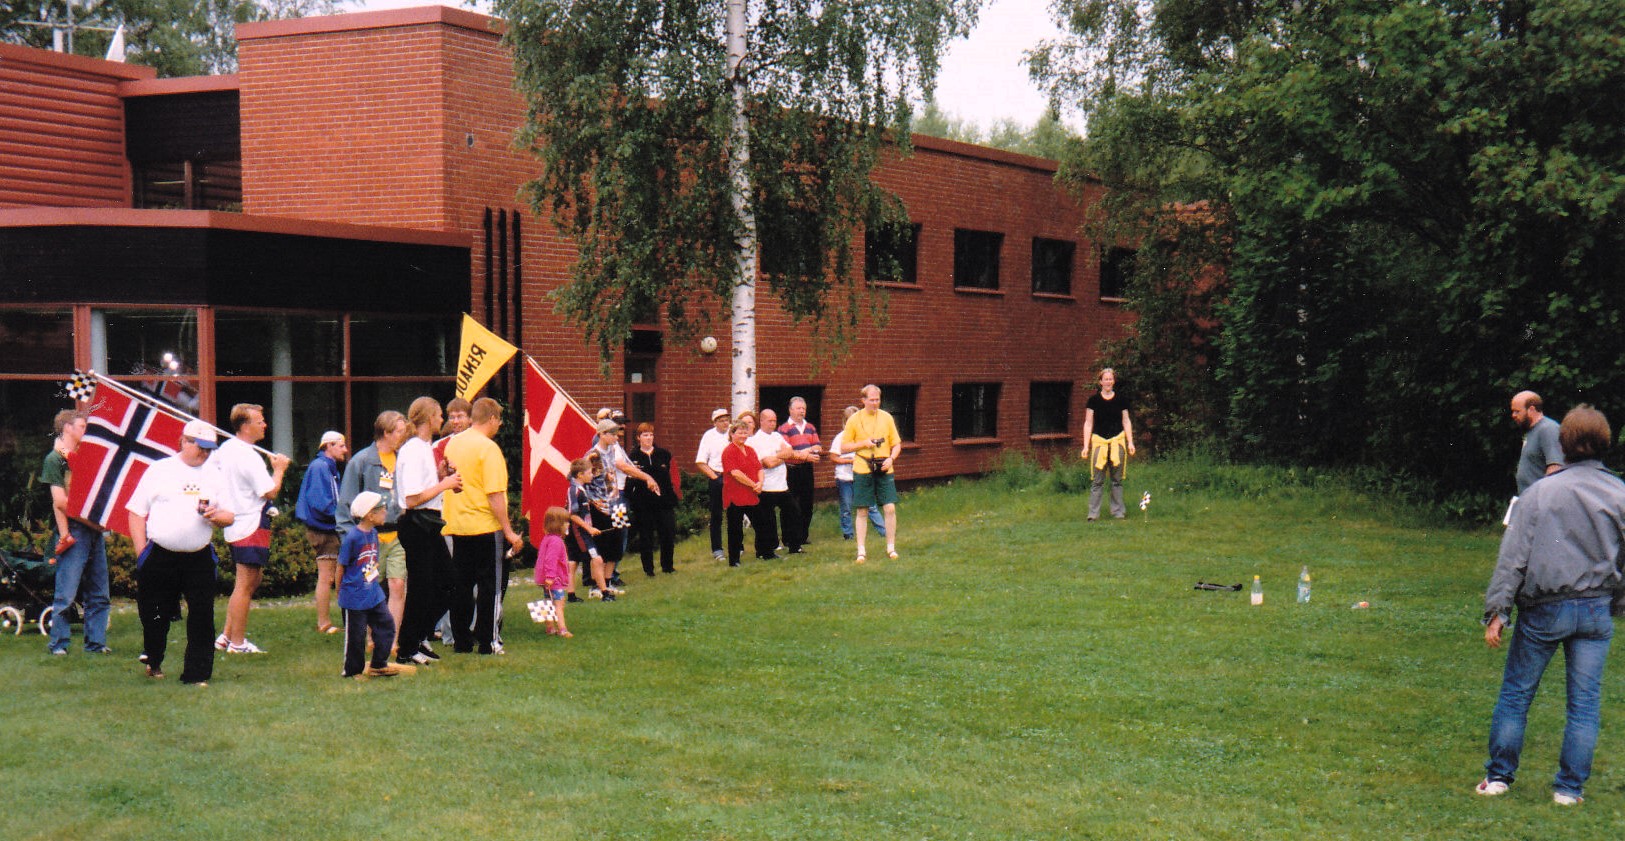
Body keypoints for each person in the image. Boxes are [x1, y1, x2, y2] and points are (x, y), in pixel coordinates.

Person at [1477, 405, 1625, 806]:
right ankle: (1568, 790)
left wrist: (1497, 612)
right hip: (1595, 611)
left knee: (1516, 695)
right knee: (1585, 704)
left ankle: (1498, 779)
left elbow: (1513, 559)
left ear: (1563, 442)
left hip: (1544, 608)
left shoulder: (1538, 494)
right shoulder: (1620, 493)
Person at [126, 419, 233, 685]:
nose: (205, 453)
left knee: (202, 614)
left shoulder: (215, 475)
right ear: (184, 442)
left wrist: (217, 516)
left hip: (199, 555)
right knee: (155, 615)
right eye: (201, 447)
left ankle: (196, 674)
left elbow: (230, 515)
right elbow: (136, 513)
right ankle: (153, 659)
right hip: (160, 553)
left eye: (210, 449)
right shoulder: (159, 470)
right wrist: (141, 552)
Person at [442, 397, 523, 654]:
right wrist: (508, 530)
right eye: (498, 420)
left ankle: (462, 641)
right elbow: (495, 494)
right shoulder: (489, 449)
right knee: (490, 586)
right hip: (485, 526)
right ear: (491, 419)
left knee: (462, 585)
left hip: (457, 523)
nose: (499, 425)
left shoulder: (453, 444)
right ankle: (488, 641)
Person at [211, 403, 291, 655]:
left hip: (238, 520)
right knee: (245, 583)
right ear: (245, 427)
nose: (264, 425)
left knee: (251, 580)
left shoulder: (225, 450)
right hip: (249, 521)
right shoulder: (247, 456)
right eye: (259, 421)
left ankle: (226, 636)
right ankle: (237, 642)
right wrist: (279, 469)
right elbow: (270, 490)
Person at [395, 397, 463, 666]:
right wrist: (445, 483)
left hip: (430, 523)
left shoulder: (423, 448)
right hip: (417, 523)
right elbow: (412, 498)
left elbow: (422, 487)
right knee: (422, 589)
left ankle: (418, 637)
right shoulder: (412, 449)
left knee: (447, 582)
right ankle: (407, 647)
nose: (442, 420)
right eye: (439, 415)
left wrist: (439, 475)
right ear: (428, 417)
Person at [40, 408, 112, 655]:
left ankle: (96, 642)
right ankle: (58, 643)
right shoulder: (55, 459)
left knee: (99, 590)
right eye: (82, 427)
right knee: (66, 592)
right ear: (67, 428)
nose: (86, 431)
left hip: (91, 529)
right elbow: (60, 501)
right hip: (75, 529)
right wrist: (92, 523)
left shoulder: (83, 457)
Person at [338, 411, 411, 642]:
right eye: (399, 432)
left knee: (398, 584)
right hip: (370, 536)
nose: (403, 436)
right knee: (370, 586)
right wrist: (352, 538)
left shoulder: (402, 459)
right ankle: (371, 637)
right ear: (386, 433)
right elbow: (345, 505)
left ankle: (391, 638)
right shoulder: (361, 461)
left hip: (398, 533)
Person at [336, 491, 414, 679]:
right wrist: (340, 591)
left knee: (386, 625)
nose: (386, 512)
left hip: (373, 593)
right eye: (382, 510)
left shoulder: (373, 534)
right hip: (354, 596)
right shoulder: (352, 538)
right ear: (370, 515)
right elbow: (341, 566)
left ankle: (379, 664)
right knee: (356, 635)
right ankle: (352, 671)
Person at [589, 419, 660, 588]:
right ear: (602, 434)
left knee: (617, 541)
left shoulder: (613, 451)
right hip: (601, 507)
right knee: (602, 546)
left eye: (617, 433)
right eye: (613, 434)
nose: (616, 437)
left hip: (617, 503)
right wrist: (647, 477)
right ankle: (596, 585)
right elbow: (589, 481)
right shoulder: (594, 455)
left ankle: (608, 581)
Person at [837, 384, 901, 563]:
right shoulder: (854, 420)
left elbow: (896, 444)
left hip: (884, 466)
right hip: (863, 467)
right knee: (863, 510)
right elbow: (844, 447)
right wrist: (863, 443)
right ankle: (861, 550)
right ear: (863, 400)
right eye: (871, 400)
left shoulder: (887, 417)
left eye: (877, 400)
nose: (875, 403)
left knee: (890, 507)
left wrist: (891, 458)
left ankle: (891, 547)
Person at [295, 430, 348, 634]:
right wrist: (343, 517)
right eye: (341, 445)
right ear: (329, 446)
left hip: (327, 527)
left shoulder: (328, 467)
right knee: (326, 577)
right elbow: (321, 503)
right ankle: (324, 623)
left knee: (330, 576)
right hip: (323, 529)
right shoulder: (321, 467)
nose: (345, 449)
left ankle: (329, 621)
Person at [1080, 368, 1135, 521]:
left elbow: (1126, 421)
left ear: (1114, 381)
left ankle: (1118, 512)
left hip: (1117, 443)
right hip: (1099, 444)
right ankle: (1093, 514)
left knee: (1117, 480)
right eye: (1106, 379)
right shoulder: (1093, 401)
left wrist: (1130, 442)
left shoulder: (1121, 400)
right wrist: (1086, 446)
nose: (1108, 382)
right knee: (1097, 481)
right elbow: (1088, 423)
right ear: (1100, 382)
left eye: (1111, 379)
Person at [627, 422, 679, 576]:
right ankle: (649, 570)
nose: (648, 438)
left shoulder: (664, 454)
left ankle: (668, 566)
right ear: (638, 438)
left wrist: (674, 495)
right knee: (646, 537)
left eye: (650, 435)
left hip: (664, 502)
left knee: (668, 533)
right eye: (645, 435)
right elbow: (629, 480)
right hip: (643, 504)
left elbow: (673, 477)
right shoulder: (633, 457)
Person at [748, 408, 800, 558]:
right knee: (767, 521)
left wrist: (776, 456)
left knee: (794, 512)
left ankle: (794, 546)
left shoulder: (777, 436)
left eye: (774, 420)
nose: (772, 424)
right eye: (769, 421)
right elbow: (767, 463)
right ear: (762, 421)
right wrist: (781, 457)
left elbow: (790, 450)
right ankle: (765, 551)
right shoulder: (756, 440)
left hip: (782, 485)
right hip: (766, 486)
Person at [830, 405, 886, 541]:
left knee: (870, 505)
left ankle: (885, 531)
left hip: (862, 476)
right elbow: (833, 457)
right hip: (845, 478)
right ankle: (848, 534)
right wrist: (849, 461)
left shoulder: (864, 437)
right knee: (847, 507)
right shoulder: (840, 437)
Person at [566, 457, 612, 602]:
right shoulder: (575, 491)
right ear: (580, 475)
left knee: (573, 562)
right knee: (597, 559)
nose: (592, 475)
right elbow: (572, 514)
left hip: (579, 531)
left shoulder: (580, 488)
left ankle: (571, 595)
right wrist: (589, 528)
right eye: (589, 472)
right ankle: (605, 593)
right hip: (579, 531)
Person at [781, 397, 822, 549]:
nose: (801, 411)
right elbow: (786, 451)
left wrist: (808, 450)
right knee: (790, 505)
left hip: (806, 469)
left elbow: (818, 446)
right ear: (790, 410)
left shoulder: (810, 427)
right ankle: (787, 538)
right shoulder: (784, 429)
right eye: (798, 408)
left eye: (803, 408)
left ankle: (802, 536)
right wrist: (805, 452)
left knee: (807, 503)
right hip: (791, 470)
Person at [721, 420, 762, 568]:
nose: (743, 435)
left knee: (762, 524)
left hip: (752, 495)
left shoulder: (750, 450)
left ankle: (765, 552)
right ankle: (734, 560)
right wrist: (753, 484)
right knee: (735, 530)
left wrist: (760, 483)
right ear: (732, 434)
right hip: (735, 495)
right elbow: (736, 473)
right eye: (740, 432)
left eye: (745, 432)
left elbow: (759, 468)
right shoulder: (729, 451)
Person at [694, 408, 732, 561]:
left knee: (734, 513)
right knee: (716, 515)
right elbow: (701, 461)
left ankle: (737, 546)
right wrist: (715, 478)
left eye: (727, 420)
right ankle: (717, 549)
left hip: (733, 476)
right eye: (721, 420)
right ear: (715, 422)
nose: (725, 423)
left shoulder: (732, 432)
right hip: (717, 475)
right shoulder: (708, 436)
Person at [1510, 390, 1563, 494]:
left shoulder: (1548, 429)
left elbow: (1555, 467)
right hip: (1529, 500)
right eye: (1512, 411)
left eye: (1517, 411)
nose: (1513, 415)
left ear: (1531, 409)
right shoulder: (1531, 431)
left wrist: (1543, 498)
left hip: (1540, 502)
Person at [533, 506, 572, 638]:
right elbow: (551, 560)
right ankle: (562, 629)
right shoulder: (556, 541)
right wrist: (550, 576)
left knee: (548, 602)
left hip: (547, 579)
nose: (568, 525)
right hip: (555, 580)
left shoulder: (547, 538)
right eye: (566, 522)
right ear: (558, 524)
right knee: (558, 604)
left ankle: (550, 628)